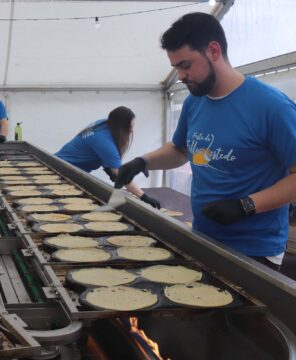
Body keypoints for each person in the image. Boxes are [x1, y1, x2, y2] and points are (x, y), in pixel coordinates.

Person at [115, 13, 296, 270]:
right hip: (204, 238)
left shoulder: (271, 107)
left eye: (186, 65)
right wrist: (142, 161)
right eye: (176, 67)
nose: (180, 76)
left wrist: (246, 206)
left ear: (213, 50)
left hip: (255, 251)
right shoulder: (195, 101)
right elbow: (180, 150)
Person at [55, 106, 161, 208]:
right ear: (121, 127)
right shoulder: (104, 140)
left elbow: (111, 160)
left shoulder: (103, 124)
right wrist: (144, 197)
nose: (132, 130)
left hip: (58, 163)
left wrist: (136, 166)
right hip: (62, 173)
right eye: (131, 127)